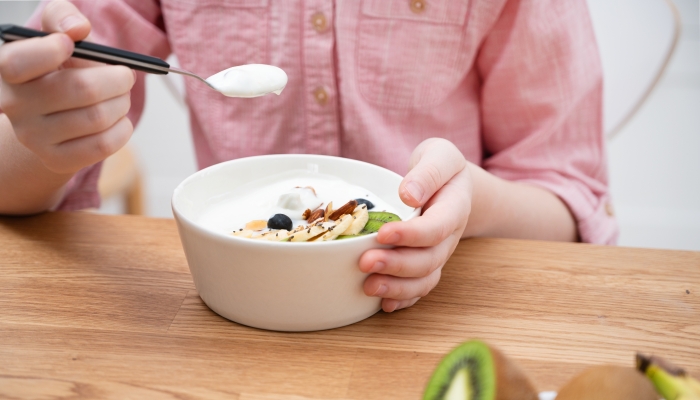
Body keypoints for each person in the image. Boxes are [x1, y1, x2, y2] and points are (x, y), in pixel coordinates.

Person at [0, 0, 617, 313]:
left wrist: (473, 202)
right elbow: (14, 182)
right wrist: (41, 137)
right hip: (231, 318)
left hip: (437, 312)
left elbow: (568, 201)